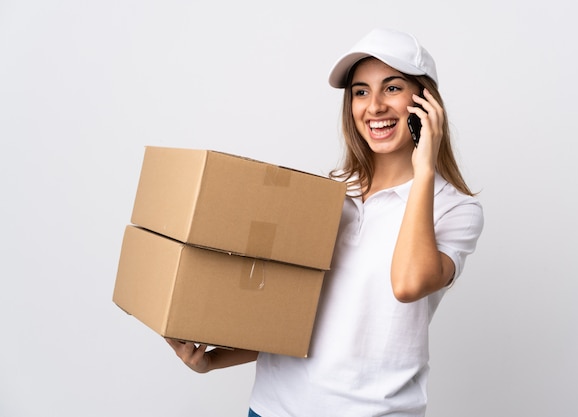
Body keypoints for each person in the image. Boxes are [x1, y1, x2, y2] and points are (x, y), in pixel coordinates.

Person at [166, 27, 484, 417]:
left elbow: (408, 284)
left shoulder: (454, 209)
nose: (375, 106)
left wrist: (423, 172)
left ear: (426, 103)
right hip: (274, 407)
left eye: (393, 88)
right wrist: (213, 361)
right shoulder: (331, 192)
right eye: (361, 92)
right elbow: (297, 316)